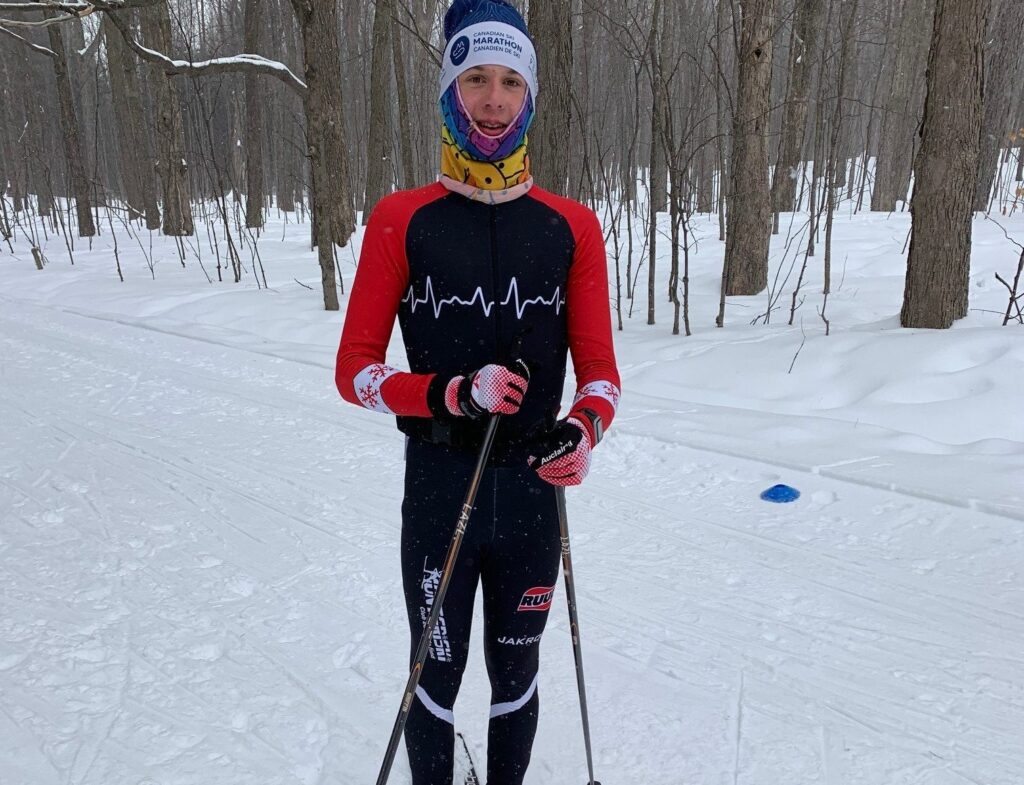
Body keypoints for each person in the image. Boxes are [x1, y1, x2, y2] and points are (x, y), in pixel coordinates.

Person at [335, 1, 620, 782]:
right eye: (475, 80)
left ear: (530, 96)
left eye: (510, 82)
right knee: (436, 671)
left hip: (530, 493)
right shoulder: (401, 219)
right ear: (448, 89)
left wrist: (582, 431)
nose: (493, 100)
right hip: (439, 487)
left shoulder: (571, 226)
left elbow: (601, 375)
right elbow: (355, 371)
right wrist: (452, 393)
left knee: (516, 671)